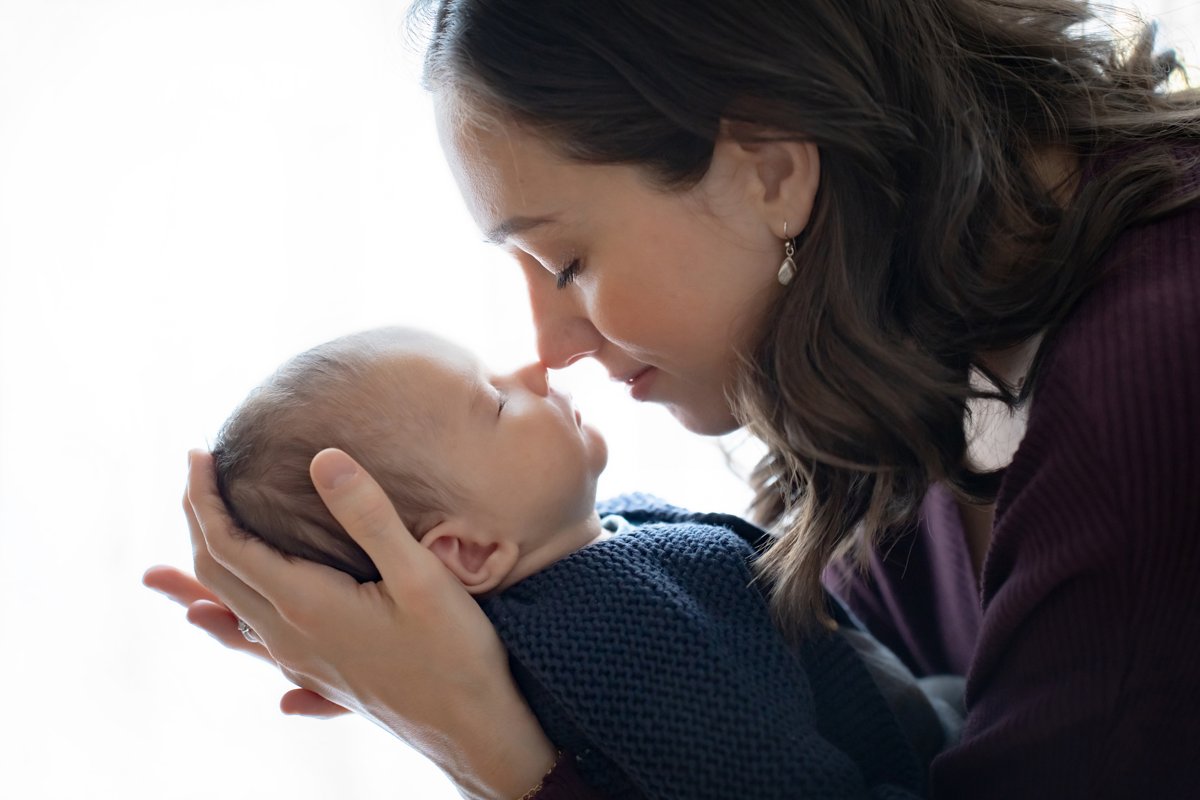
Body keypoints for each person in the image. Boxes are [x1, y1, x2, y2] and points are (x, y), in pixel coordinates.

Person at [143, 1, 1200, 798]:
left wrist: (492, 745)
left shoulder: (1148, 392)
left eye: (563, 260)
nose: (549, 346)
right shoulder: (902, 376)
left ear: (773, 172)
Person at [210, 325, 957, 798]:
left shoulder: (589, 565)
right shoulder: (624, 637)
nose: (533, 370)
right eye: (496, 403)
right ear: (467, 551)